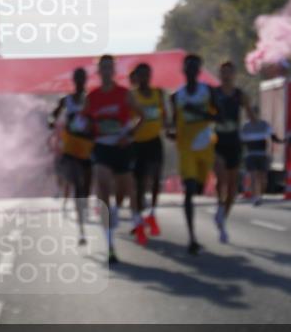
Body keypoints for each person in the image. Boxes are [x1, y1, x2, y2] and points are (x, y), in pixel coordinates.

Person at [83, 54, 144, 263]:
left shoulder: (124, 94)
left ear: (114, 71)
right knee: (103, 189)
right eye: (103, 67)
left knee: (126, 189)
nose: (107, 71)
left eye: (110, 67)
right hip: (102, 147)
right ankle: (109, 245)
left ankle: (120, 213)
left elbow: (141, 116)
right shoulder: (92, 97)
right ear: (99, 72)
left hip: (122, 147)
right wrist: (86, 129)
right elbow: (86, 122)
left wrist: (128, 135)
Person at [167, 54, 217, 255]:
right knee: (188, 191)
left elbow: (219, 115)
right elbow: (172, 123)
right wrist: (171, 132)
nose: (191, 72)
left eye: (195, 68)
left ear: (199, 72)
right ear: (184, 71)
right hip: (186, 148)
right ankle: (192, 238)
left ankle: (194, 236)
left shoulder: (208, 92)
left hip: (205, 146)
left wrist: (200, 114)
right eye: (188, 68)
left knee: (198, 189)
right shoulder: (175, 97)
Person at [211, 61, 255, 243]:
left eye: (229, 72)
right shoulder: (213, 94)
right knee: (221, 178)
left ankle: (222, 218)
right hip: (217, 141)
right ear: (219, 75)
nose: (226, 75)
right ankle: (220, 206)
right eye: (223, 72)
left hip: (234, 142)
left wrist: (256, 123)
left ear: (234, 74)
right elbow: (203, 113)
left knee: (232, 188)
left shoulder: (240, 95)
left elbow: (252, 117)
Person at [49, 67, 94, 244]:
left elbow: (98, 116)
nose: (80, 82)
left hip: (89, 147)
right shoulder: (65, 100)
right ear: (73, 81)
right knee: (77, 185)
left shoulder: (91, 99)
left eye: (83, 78)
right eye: (77, 78)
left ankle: (85, 206)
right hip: (71, 148)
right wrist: (52, 123)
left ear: (86, 80)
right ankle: (81, 230)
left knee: (86, 189)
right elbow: (52, 116)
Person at [129, 62, 168, 237]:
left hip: (155, 140)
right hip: (137, 143)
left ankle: (152, 213)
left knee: (156, 177)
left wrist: (169, 128)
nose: (145, 78)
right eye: (141, 74)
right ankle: (138, 219)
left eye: (147, 74)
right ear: (136, 77)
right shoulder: (131, 95)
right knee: (139, 183)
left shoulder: (157, 93)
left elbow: (164, 114)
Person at [240, 107, 283, 206]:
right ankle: (255, 197)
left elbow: (273, 137)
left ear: (257, 114)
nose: (251, 116)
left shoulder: (264, 124)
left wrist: (282, 141)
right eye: (249, 113)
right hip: (250, 155)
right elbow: (241, 141)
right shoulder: (245, 126)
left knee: (263, 178)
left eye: (254, 113)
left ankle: (260, 195)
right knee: (254, 176)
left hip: (262, 155)